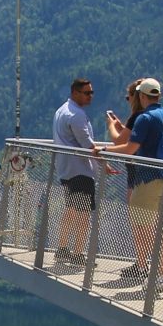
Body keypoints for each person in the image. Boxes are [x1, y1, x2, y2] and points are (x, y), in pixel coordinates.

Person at [98, 77, 163, 289]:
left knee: (145, 228)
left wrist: (103, 150)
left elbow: (129, 148)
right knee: (159, 228)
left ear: (142, 96)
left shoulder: (144, 118)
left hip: (147, 180)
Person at [51, 78, 108, 264]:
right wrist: (104, 164)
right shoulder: (77, 115)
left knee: (71, 209)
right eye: (87, 93)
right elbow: (88, 144)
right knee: (83, 213)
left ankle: (62, 248)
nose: (90, 96)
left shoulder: (61, 111)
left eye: (91, 92)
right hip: (80, 170)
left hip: (65, 168)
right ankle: (77, 254)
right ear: (75, 92)